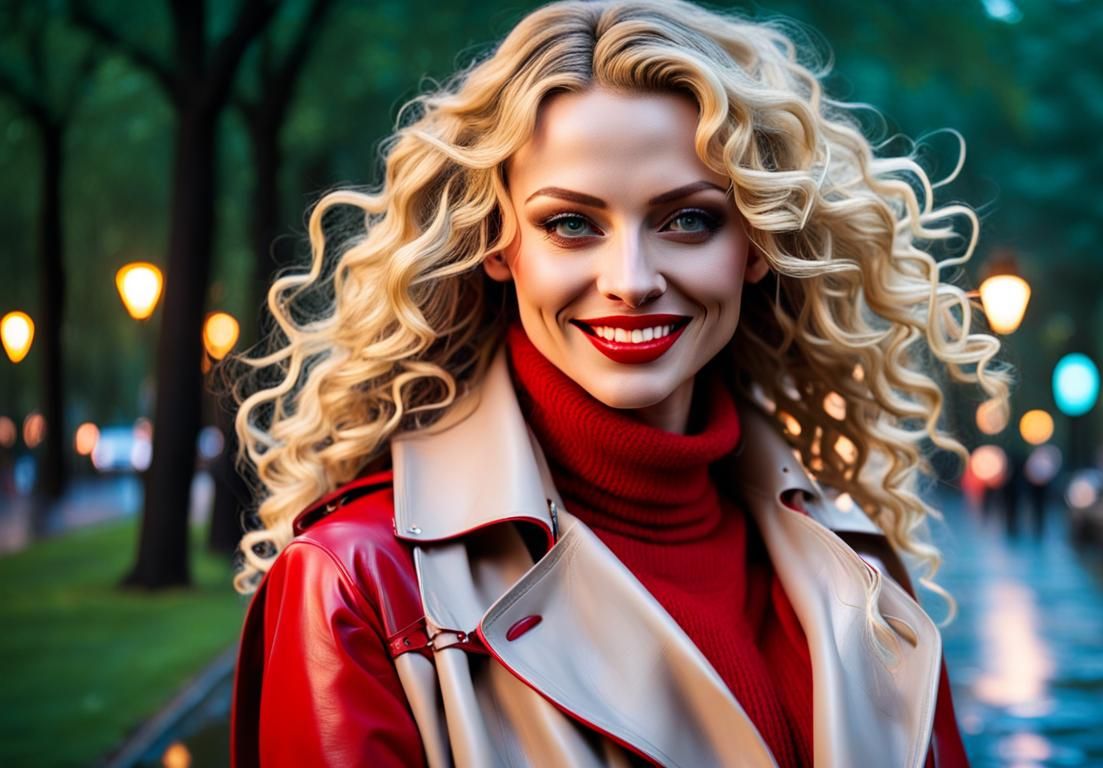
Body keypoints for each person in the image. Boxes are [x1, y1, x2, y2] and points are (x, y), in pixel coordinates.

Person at [229, 1, 1008, 765]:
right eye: (571, 223)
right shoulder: (357, 586)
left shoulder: (858, 571)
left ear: (759, 241)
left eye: (688, 220)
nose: (631, 280)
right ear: (499, 245)